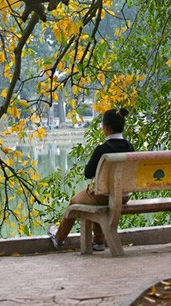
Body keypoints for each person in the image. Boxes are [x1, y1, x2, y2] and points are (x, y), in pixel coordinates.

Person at [48, 107, 134, 251]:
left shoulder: (102, 149)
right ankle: (99, 241)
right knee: (96, 200)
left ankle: (59, 238)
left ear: (106, 128)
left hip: (104, 195)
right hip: (123, 196)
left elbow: (88, 173)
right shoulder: (130, 147)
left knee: (75, 202)